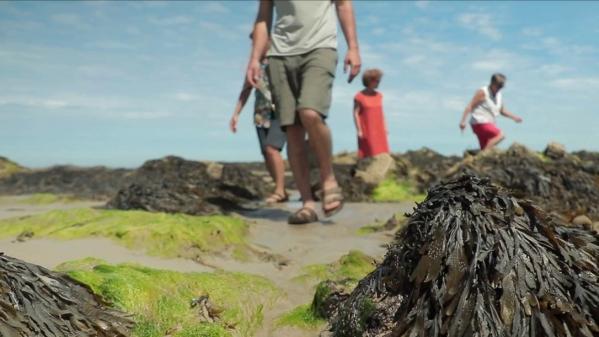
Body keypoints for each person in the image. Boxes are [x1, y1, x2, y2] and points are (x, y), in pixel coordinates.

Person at [246, 0, 361, 224]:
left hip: (320, 48)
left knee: (309, 112)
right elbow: (263, 18)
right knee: (292, 131)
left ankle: (329, 181)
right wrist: (254, 59)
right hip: (279, 56)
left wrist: (353, 48)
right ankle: (307, 204)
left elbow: (343, 5)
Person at [230, 36, 287, 204]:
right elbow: (245, 90)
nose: (256, 45)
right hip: (260, 113)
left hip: (280, 112)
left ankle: (279, 191)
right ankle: (280, 189)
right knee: (265, 153)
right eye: (253, 42)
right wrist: (236, 114)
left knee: (272, 149)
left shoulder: (280, 60)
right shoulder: (253, 66)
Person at [459, 73, 523, 150]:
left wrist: (514, 117)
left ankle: (481, 158)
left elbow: (502, 111)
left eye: (501, 86)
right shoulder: (483, 92)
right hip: (479, 122)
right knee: (500, 135)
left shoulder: (499, 95)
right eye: (498, 86)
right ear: (492, 83)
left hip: (488, 123)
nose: (500, 88)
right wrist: (463, 121)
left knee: (485, 146)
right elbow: (470, 106)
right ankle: (483, 156)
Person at [353, 68, 389, 159]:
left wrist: (385, 127)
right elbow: (355, 113)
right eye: (377, 81)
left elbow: (382, 113)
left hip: (379, 129)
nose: (378, 82)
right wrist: (359, 130)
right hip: (367, 129)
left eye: (379, 80)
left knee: (382, 155)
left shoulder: (379, 96)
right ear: (370, 81)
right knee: (369, 154)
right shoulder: (359, 96)